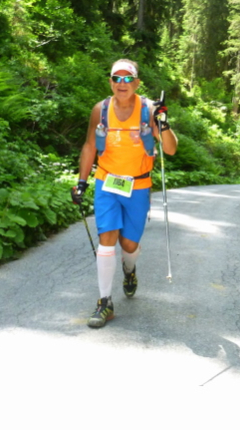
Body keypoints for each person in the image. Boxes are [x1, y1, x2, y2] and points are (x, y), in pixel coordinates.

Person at [71, 59, 178, 328]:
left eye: (128, 78)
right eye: (117, 78)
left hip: (138, 186)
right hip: (106, 183)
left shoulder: (149, 109)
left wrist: (163, 123)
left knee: (129, 245)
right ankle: (105, 302)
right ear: (110, 82)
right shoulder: (100, 110)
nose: (122, 83)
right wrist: (82, 182)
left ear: (137, 83)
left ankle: (129, 269)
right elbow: (89, 146)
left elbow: (170, 149)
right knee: (106, 240)